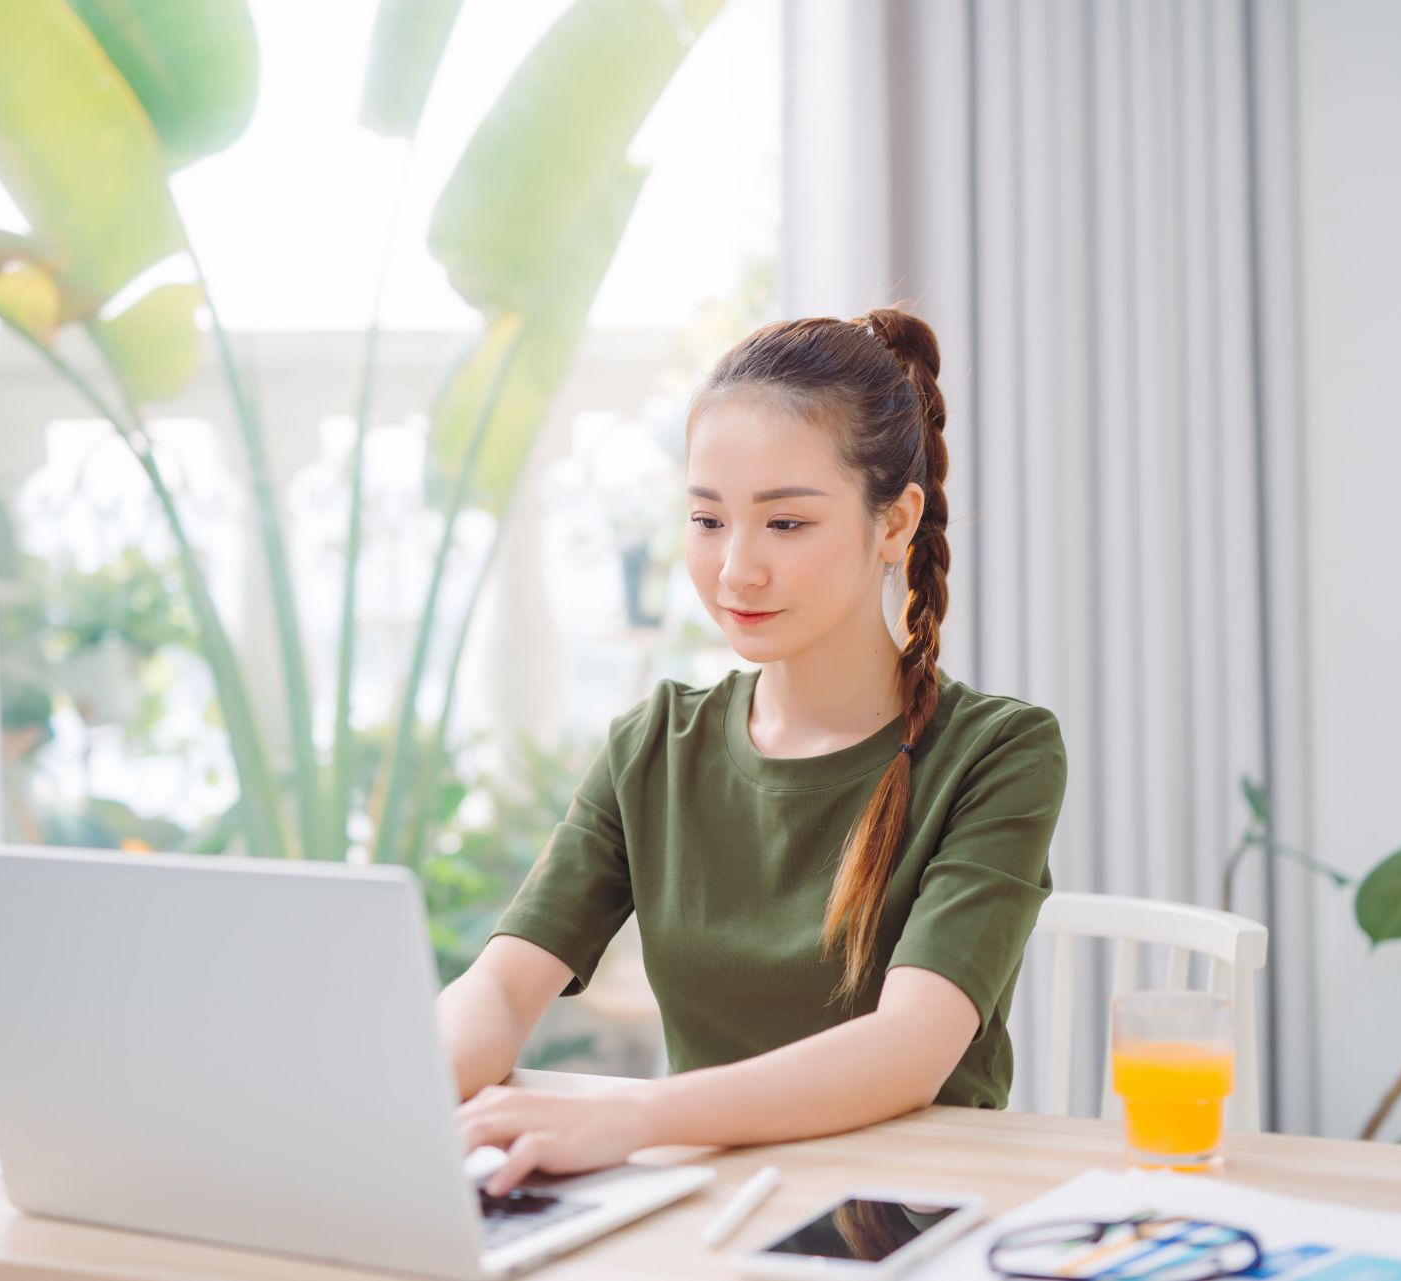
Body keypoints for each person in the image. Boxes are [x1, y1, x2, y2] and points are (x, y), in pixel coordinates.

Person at [437, 306, 1068, 1196]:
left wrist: (628, 1118)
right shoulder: (656, 745)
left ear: (895, 524)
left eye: (785, 524)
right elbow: (502, 989)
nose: (736, 569)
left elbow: (907, 1053)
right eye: (706, 519)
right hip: (699, 1205)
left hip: (902, 1218)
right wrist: (405, 1087)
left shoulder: (998, 753)